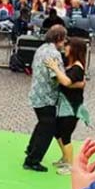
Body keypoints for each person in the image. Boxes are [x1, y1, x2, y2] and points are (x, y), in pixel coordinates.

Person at [24, 25, 67, 172]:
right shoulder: (54, 54)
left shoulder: (41, 48)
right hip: (47, 97)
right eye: (64, 40)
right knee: (48, 128)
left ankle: (31, 149)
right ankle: (32, 160)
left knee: (42, 124)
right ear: (59, 39)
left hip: (36, 94)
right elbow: (57, 77)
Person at [44, 38, 88, 175]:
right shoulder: (69, 63)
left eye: (68, 46)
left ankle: (70, 165)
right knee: (57, 131)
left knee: (66, 134)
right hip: (64, 105)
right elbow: (70, 83)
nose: (65, 48)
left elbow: (66, 81)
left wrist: (55, 68)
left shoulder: (77, 67)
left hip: (72, 107)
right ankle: (65, 157)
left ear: (75, 49)